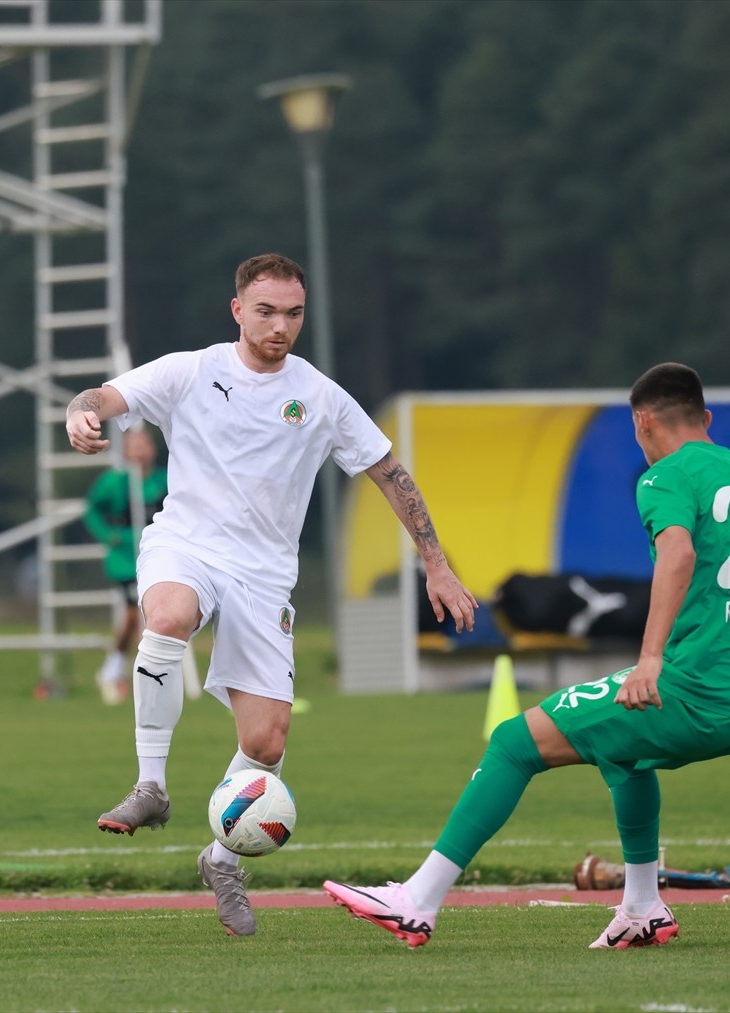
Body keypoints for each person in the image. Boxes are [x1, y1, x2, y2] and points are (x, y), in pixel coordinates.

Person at [324, 362, 730, 950]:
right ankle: (642, 906)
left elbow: (676, 554)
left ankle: (417, 900)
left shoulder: (665, 477)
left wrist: (650, 659)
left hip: (696, 688)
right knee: (626, 756)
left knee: (513, 743)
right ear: (705, 419)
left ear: (641, 423)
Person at [64, 252, 478, 937]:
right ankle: (151, 786)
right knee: (166, 615)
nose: (281, 325)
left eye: (293, 313)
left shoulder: (319, 395)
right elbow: (102, 397)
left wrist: (436, 562)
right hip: (187, 543)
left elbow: (388, 472)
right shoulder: (191, 370)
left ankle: (223, 858)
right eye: (266, 311)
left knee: (267, 739)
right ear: (237, 311)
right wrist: (81, 417)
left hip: (264, 574)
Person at [83, 426, 168, 705]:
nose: (139, 451)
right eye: (133, 445)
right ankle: (113, 670)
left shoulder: (164, 480)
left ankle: (144, 674)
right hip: (126, 560)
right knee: (134, 615)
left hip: (160, 556)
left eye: (144, 444)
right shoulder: (115, 482)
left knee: (160, 618)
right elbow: (92, 509)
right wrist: (109, 536)